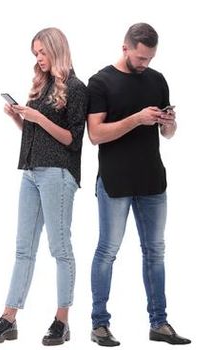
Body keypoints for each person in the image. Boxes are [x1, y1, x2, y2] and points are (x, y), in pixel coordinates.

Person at [83, 22, 191, 347]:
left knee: (155, 252)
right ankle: (99, 324)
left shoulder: (157, 80)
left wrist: (169, 124)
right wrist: (136, 119)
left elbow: (166, 135)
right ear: (125, 47)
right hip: (115, 181)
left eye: (150, 58)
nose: (145, 64)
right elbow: (95, 135)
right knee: (107, 252)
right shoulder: (100, 82)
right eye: (141, 57)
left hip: (152, 181)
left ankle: (159, 323)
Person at [0, 27, 86, 346]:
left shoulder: (77, 87)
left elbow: (72, 139)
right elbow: (34, 134)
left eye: (42, 52)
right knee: (23, 248)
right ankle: (9, 317)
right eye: (35, 53)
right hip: (30, 172)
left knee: (59, 248)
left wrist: (39, 120)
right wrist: (18, 118)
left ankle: (61, 321)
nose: (39, 58)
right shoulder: (41, 87)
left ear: (57, 49)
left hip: (58, 174)